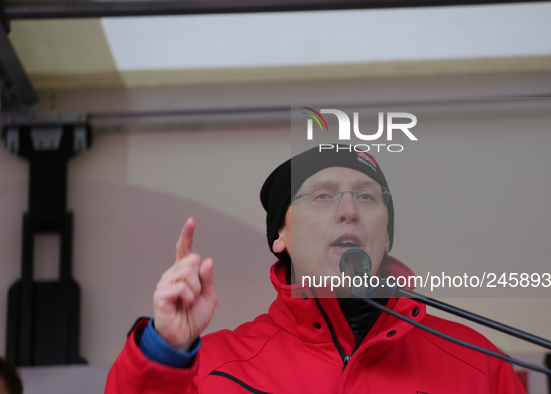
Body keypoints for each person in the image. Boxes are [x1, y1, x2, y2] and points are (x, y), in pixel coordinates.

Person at [106, 147, 526, 393]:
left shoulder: (479, 363)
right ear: (280, 236)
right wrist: (165, 350)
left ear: (388, 236)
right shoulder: (214, 366)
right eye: (322, 197)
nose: (348, 211)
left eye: (366, 197)